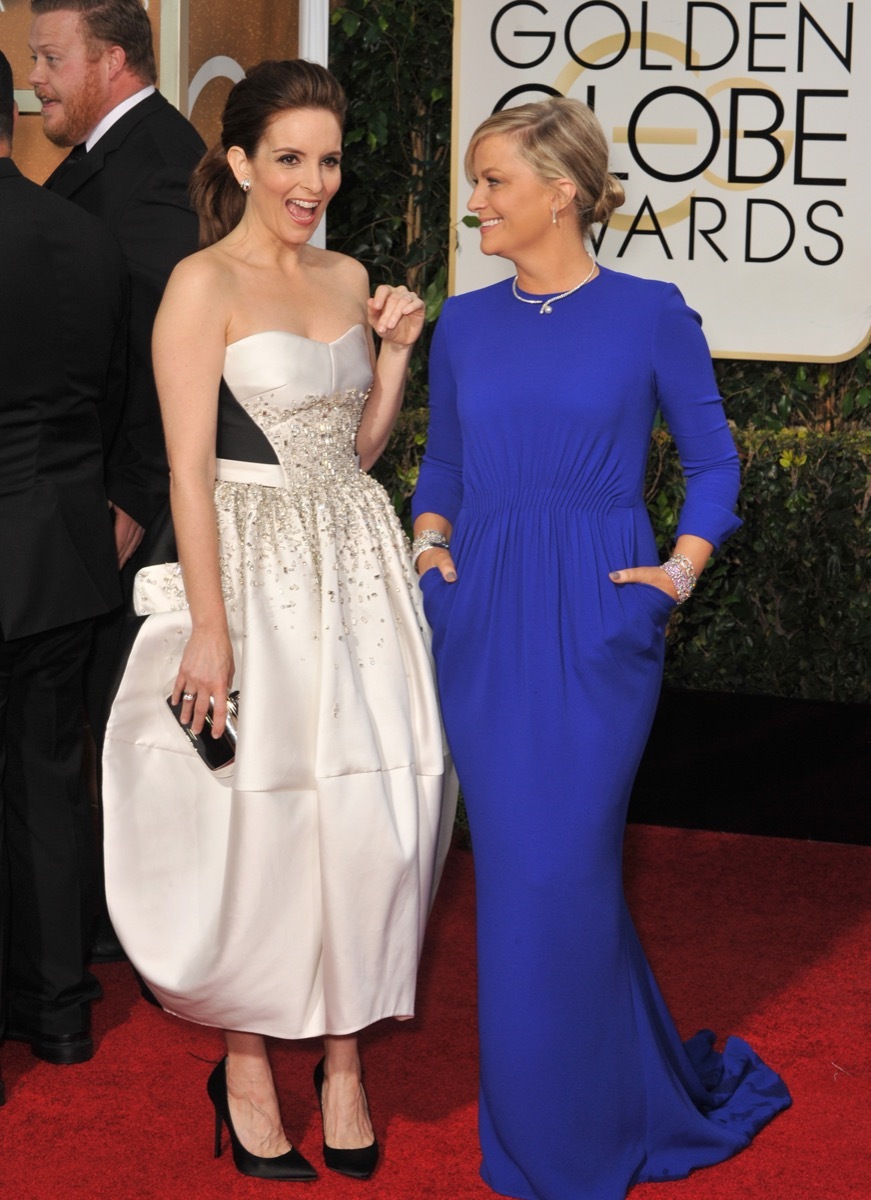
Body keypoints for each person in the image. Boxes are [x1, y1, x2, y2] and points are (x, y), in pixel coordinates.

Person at [412, 98, 791, 1200]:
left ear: (560, 193)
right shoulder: (466, 324)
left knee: (557, 870)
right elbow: (443, 464)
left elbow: (714, 467)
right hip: (482, 614)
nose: (474, 200)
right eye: (475, 182)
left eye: (492, 182)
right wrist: (431, 545)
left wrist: (673, 575)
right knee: (528, 882)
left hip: (594, 618)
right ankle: (578, 1110)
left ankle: (562, 1153)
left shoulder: (647, 314)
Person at [100, 59, 456, 1181]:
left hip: (352, 566)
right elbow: (189, 478)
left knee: (364, 815)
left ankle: (343, 1060)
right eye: (290, 159)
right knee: (255, 819)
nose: (314, 182)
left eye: (330, 160)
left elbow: (348, 454)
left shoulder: (350, 275)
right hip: (248, 573)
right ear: (243, 162)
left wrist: (393, 359)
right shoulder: (198, 287)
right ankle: (247, 1062)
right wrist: (210, 627)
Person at [28, 0, 206, 961]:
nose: (36, 79)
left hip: (125, 506)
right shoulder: (114, 155)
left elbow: (159, 352)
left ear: (111, 58)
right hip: (84, 494)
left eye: (50, 58)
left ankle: (105, 938)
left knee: (110, 728)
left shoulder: (156, 169)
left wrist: (134, 493)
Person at [0, 47, 127, 1067]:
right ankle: (57, 1010)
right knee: (47, 775)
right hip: (61, 551)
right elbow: (109, 396)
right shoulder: (84, 236)